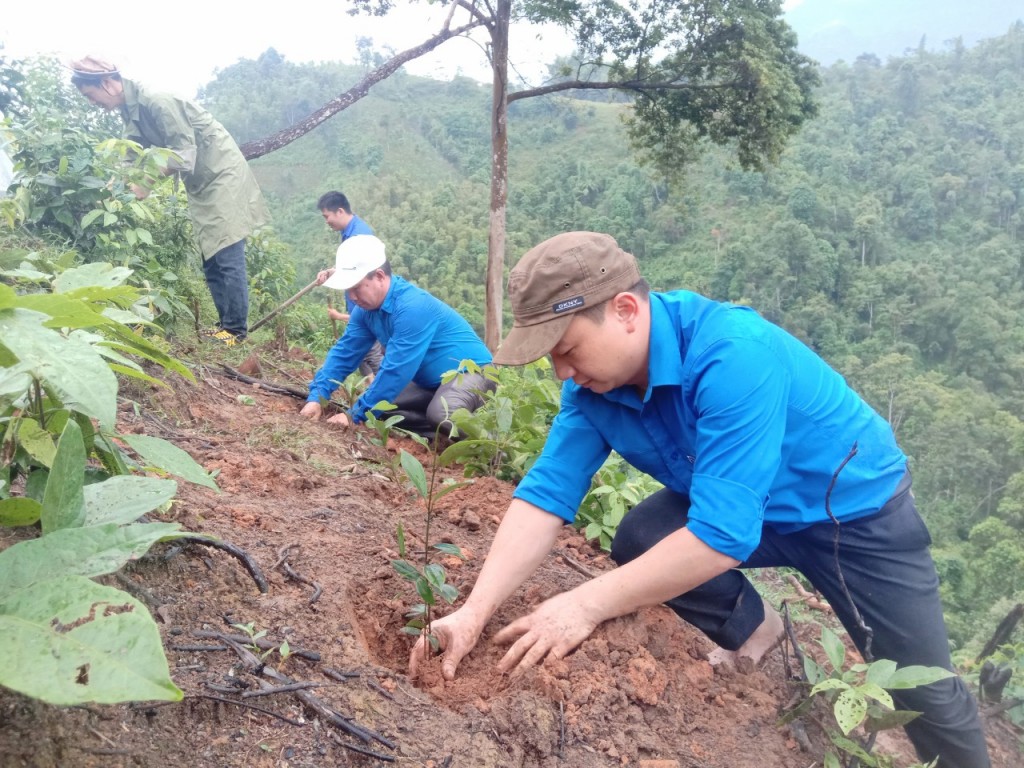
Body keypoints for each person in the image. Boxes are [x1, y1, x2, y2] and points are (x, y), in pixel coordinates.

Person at [409, 231, 991, 768]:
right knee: (641, 537)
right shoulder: (593, 391)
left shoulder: (733, 354)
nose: (562, 370)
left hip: (853, 515)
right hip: (741, 505)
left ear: (626, 312)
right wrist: (474, 612)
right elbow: (545, 495)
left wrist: (580, 606)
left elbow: (719, 537)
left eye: (566, 347)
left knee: (925, 687)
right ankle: (758, 631)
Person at [69, 57, 269, 346]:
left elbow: (184, 154)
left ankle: (235, 332)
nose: (92, 102)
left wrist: (146, 182)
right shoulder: (130, 108)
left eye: (91, 95)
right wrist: (114, 183)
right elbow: (131, 152)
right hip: (201, 180)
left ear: (106, 83)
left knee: (226, 251)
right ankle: (225, 326)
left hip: (221, 173)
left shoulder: (157, 100)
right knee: (210, 254)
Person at [300, 234, 495, 438]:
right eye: (348, 290)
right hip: (430, 383)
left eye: (356, 288)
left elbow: (397, 370)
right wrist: (317, 397)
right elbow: (345, 353)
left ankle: (497, 451)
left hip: (474, 372)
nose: (352, 297)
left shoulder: (412, 308)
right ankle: (439, 435)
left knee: (443, 415)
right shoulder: (364, 311)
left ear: (380, 276)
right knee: (381, 409)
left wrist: (354, 416)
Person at [315, 190, 383, 376]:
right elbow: (352, 267)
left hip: (366, 308)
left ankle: (392, 398)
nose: (326, 221)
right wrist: (330, 272)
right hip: (358, 308)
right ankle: (375, 391)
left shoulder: (359, 236)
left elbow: (363, 273)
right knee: (363, 355)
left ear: (339, 211)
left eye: (326, 216)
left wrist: (339, 315)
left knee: (372, 356)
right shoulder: (349, 232)